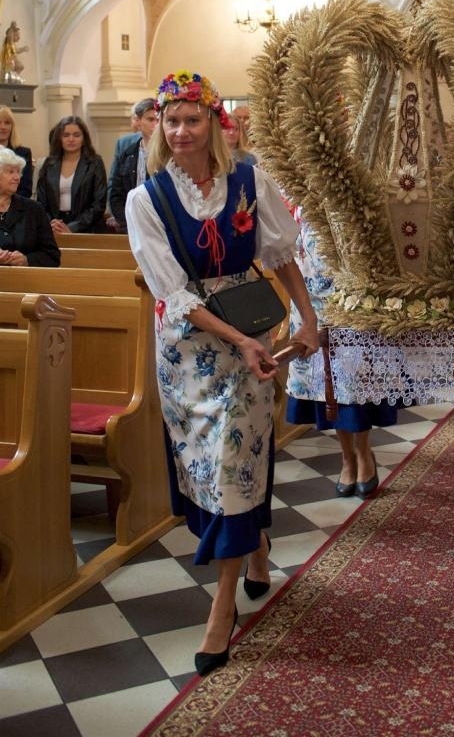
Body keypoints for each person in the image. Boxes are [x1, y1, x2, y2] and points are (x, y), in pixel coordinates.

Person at [124, 70, 319, 677]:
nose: (181, 131)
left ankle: (221, 607)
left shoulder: (249, 180)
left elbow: (281, 256)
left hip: (250, 334)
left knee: (237, 458)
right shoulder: (145, 198)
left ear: (214, 121)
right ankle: (255, 546)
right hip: (188, 345)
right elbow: (171, 291)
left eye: (192, 119)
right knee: (207, 464)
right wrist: (237, 338)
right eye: (171, 120)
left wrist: (308, 321)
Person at [286, 209, 395, 498]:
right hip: (308, 289)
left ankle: (363, 452)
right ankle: (346, 456)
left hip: (352, 287)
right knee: (326, 384)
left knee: (354, 378)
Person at [36, 116, 108, 234]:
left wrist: (72, 228)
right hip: (54, 228)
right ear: (59, 138)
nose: (71, 139)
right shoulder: (49, 164)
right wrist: (52, 224)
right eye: (66, 135)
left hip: (87, 228)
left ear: (84, 138)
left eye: (76, 135)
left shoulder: (95, 163)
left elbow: (99, 204)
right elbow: (41, 202)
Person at [0, 148, 60, 267]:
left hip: (26, 282)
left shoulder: (34, 209)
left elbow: (52, 256)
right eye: (11, 172)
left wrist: (26, 260)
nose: (17, 177)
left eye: (18, 172)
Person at [107, 97, 159, 232]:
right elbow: (115, 191)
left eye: (159, 119)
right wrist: (125, 222)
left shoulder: (172, 154)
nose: (156, 124)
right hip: (129, 223)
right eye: (151, 119)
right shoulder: (128, 152)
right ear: (139, 121)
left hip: (159, 223)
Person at [0, 104, 34, 199]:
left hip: (15, 208)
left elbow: (26, 190)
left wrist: (6, 203)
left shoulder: (23, 153)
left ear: (12, 127)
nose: (3, 127)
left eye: (7, 123)